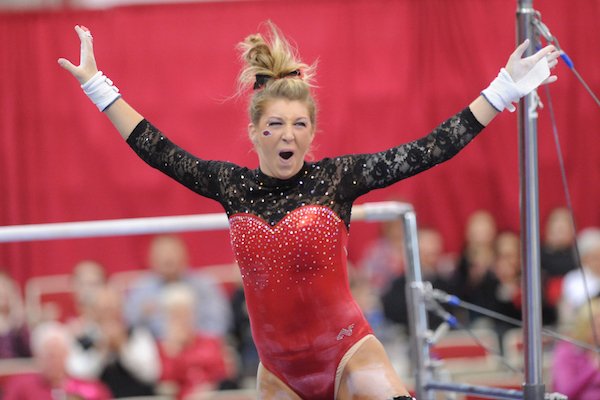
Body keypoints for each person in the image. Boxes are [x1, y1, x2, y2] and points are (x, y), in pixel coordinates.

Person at [58, 21, 559, 400]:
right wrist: (95, 84)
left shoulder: (337, 180)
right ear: (255, 132)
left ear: (311, 133)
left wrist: (503, 89)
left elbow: (430, 149)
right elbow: (157, 148)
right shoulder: (230, 186)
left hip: (347, 352)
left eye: (300, 124)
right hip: (277, 372)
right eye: (275, 124)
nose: (288, 135)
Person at [124, 234, 232, 338]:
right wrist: (143, 314)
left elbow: (220, 322)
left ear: (185, 255)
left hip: (199, 348)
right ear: (151, 259)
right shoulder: (142, 290)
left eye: (171, 252)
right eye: (161, 253)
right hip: (155, 351)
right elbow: (128, 324)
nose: (167, 258)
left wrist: (192, 338)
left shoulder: (204, 286)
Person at [67, 286, 161, 398]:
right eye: (103, 309)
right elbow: (78, 374)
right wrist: (102, 350)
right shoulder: (84, 338)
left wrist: (123, 348)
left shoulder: (137, 334)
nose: (109, 314)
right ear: (93, 311)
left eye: (113, 308)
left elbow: (151, 374)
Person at [158, 283, 237, 399]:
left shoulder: (211, 341)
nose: (181, 320)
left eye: (185, 313)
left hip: (215, 396)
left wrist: (208, 391)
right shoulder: (163, 348)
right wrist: (174, 351)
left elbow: (225, 374)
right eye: (175, 315)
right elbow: (167, 385)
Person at [3, 321, 111, 400]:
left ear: (66, 354)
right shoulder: (20, 386)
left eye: (58, 355)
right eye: (49, 355)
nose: (54, 361)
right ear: (37, 356)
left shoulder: (92, 387)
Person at [552, 297, 600, 399]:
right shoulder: (567, 351)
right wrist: (592, 368)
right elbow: (565, 392)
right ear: (586, 327)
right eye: (599, 326)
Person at [559, 228, 600, 327]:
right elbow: (576, 306)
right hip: (581, 326)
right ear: (583, 258)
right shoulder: (573, 279)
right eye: (594, 257)